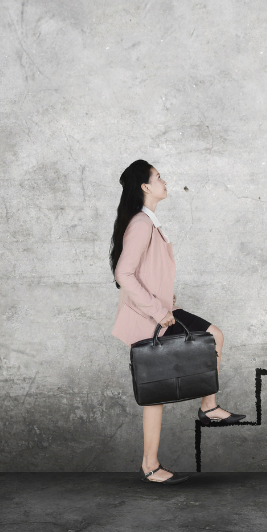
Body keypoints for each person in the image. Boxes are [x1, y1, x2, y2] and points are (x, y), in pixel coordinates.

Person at [109, 159, 246, 484]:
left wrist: (164, 299)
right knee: (155, 395)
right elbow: (123, 274)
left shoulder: (148, 222)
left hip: (158, 309)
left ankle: (208, 408)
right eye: (159, 177)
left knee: (213, 336)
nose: (164, 182)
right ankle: (151, 466)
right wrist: (158, 309)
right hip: (148, 317)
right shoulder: (142, 224)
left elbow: (145, 271)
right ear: (145, 186)